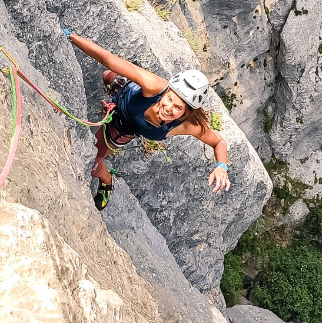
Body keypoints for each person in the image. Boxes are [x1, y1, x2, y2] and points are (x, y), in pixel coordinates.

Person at [61, 29, 231, 210]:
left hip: (123, 128)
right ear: (167, 91)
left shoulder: (188, 125)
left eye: (178, 108)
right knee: (108, 73)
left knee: (93, 160)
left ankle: (107, 180)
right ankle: (130, 74)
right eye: (170, 99)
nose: (168, 108)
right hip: (124, 90)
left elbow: (218, 141)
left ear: (186, 112)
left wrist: (222, 166)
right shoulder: (155, 86)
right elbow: (108, 59)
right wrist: (70, 36)